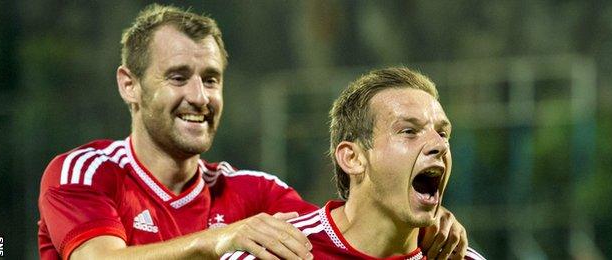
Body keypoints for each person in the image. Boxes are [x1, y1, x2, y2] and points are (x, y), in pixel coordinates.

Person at [37, 4, 471, 260]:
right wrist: (219, 240)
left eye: (210, 79)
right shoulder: (85, 172)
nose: (199, 96)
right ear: (129, 84)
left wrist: (415, 224)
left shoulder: (257, 192)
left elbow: (341, 233)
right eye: (177, 77)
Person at [223, 67, 486, 260]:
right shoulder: (276, 252)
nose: (439, 145)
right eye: (408, 131)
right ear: (353, 158)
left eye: (443, 133)